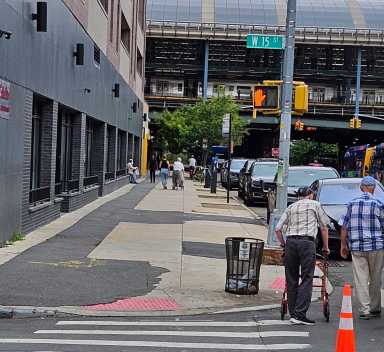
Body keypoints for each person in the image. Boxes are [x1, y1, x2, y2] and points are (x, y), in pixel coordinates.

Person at [275, 187, 330, 326]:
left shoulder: (291, 207)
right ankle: (300, 314)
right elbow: (324, 227)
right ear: (310, 195)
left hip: (291, 243)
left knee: (291, 278)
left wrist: (284, 244)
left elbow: (277, 229)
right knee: (307, 278)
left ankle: (293, 313)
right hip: (307, 243)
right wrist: (325, 247)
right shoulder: (315, 205)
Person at [340, 176, 384, 320]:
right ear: (374, 188)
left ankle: (364, 309)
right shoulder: (379, 203)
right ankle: (375, 307)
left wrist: (343, 244)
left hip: (357, 246)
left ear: (361, 187)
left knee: (361, 278)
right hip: (376, 246)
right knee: (376, 276)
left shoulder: (351, 203)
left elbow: (344, 226)